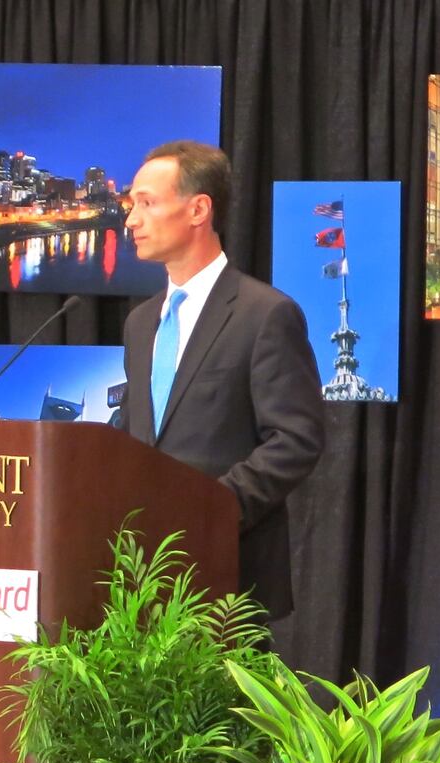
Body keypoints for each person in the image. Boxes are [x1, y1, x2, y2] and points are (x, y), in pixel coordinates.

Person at [119, 141, 324, 619]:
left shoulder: (266, 314)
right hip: (138, 584)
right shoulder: (140, 322)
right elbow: (133, 436)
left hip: (227, 580)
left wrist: (214, 510)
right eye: (132, 206)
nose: (131, 220)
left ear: (198, 209)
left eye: (146, 203)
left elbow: (295, 439)